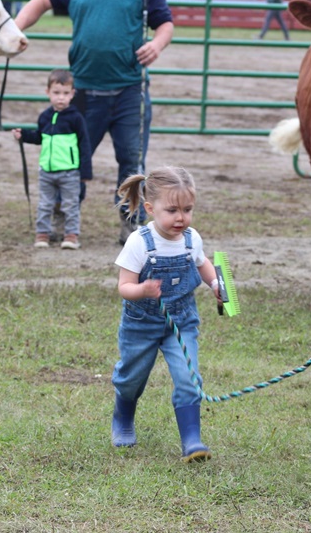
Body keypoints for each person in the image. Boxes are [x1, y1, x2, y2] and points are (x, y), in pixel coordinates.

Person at [14, 0, 175, 245]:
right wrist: (15, 31)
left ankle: (131, 222)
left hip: (128, 90)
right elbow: (41, 2)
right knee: (70, 158)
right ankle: (62, 217)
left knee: (131, 160)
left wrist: (156, 44)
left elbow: (165, 23)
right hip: (84, 90)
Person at [110, 166, 222, 462]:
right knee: (131, 379)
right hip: (141, 323)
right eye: (172, 210)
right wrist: (142, 290)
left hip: (181, 322)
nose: (181, 217)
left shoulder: (191, 238)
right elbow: (124, 286)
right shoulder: (139, 242)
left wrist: (214, 282)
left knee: (189, 378)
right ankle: (123, 417)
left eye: (187, 209)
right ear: (150, 208)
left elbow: (202, 263)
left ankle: (192, 440)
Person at [12, 69, 92, 250]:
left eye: (65, 93)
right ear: (47, 92)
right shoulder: (45, 117)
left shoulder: (76, 118)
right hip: (46, 172)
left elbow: (84, 145)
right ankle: (42, 234)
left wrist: (85, 172)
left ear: (72, 94)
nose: (60, 98)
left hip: (70, 172)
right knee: (45, 204)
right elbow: (40, 137)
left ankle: (71, 235)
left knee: (71, 205)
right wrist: (23, 135)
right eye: (56, 93)